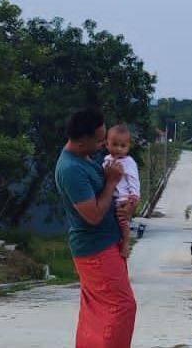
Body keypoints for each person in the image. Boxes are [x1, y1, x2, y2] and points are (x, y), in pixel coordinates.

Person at [54, 107, 137, 348]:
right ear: (81, 142)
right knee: (122, 307)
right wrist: (112, 182)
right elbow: (93, 215)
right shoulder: (71, 170)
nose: (104, 145)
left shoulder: (85, 157)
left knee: (96, 311)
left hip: (105, 244)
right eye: (100, 140)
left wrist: (126, 206)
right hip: (95, 248)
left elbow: (110, 198)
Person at [103, 124, 140, 259]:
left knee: (123, 221)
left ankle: (126, 244)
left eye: (123, 146)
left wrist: (133, 198)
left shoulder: (129, 162)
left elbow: (134, 180)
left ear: (128, 146)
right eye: (114, 144)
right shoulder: (106, 160)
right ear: (107, 144)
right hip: (111, 197)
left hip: (123, 199)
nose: (118, 149)